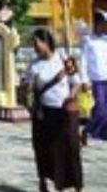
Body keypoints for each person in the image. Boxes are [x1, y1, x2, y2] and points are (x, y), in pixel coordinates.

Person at [27, 28, 82, 192]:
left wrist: (70, 97)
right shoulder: (34, 64)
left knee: (70, 148)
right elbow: (28, 87)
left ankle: (76, 184)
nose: (35, 46)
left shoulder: (63, 59)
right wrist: (29, 96)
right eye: (33, 43)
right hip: (44, 112)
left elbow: (77, 82)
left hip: (64, 112)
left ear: (47, 42)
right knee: (44, 149)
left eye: (38, 42)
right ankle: (46, 181)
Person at [80, 9, 107, 142]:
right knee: (101, 109)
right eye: (102, 23)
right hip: (96, 80)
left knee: (101, 111)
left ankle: (100, 133)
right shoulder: (88, 40)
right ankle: (88, 130)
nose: (104, 26)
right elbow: (83, 61)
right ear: (96, 23)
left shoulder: (106, 40)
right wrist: (84, 80)